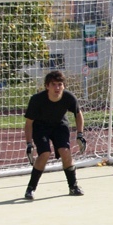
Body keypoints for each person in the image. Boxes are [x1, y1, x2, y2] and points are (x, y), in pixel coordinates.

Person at [24, 70, 86, 200]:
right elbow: (29, 123)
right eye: (53, 84)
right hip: (41, 127)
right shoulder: (37, 100)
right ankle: (30, 188)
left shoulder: (69, 97)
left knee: (65, 152)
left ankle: (73, 186)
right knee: (45, 153)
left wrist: (80, 134)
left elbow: (78, 114)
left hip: (59, 125)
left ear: (64, 86)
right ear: (47, 86)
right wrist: (29, 144)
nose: (57, 87)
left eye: (60, 84)